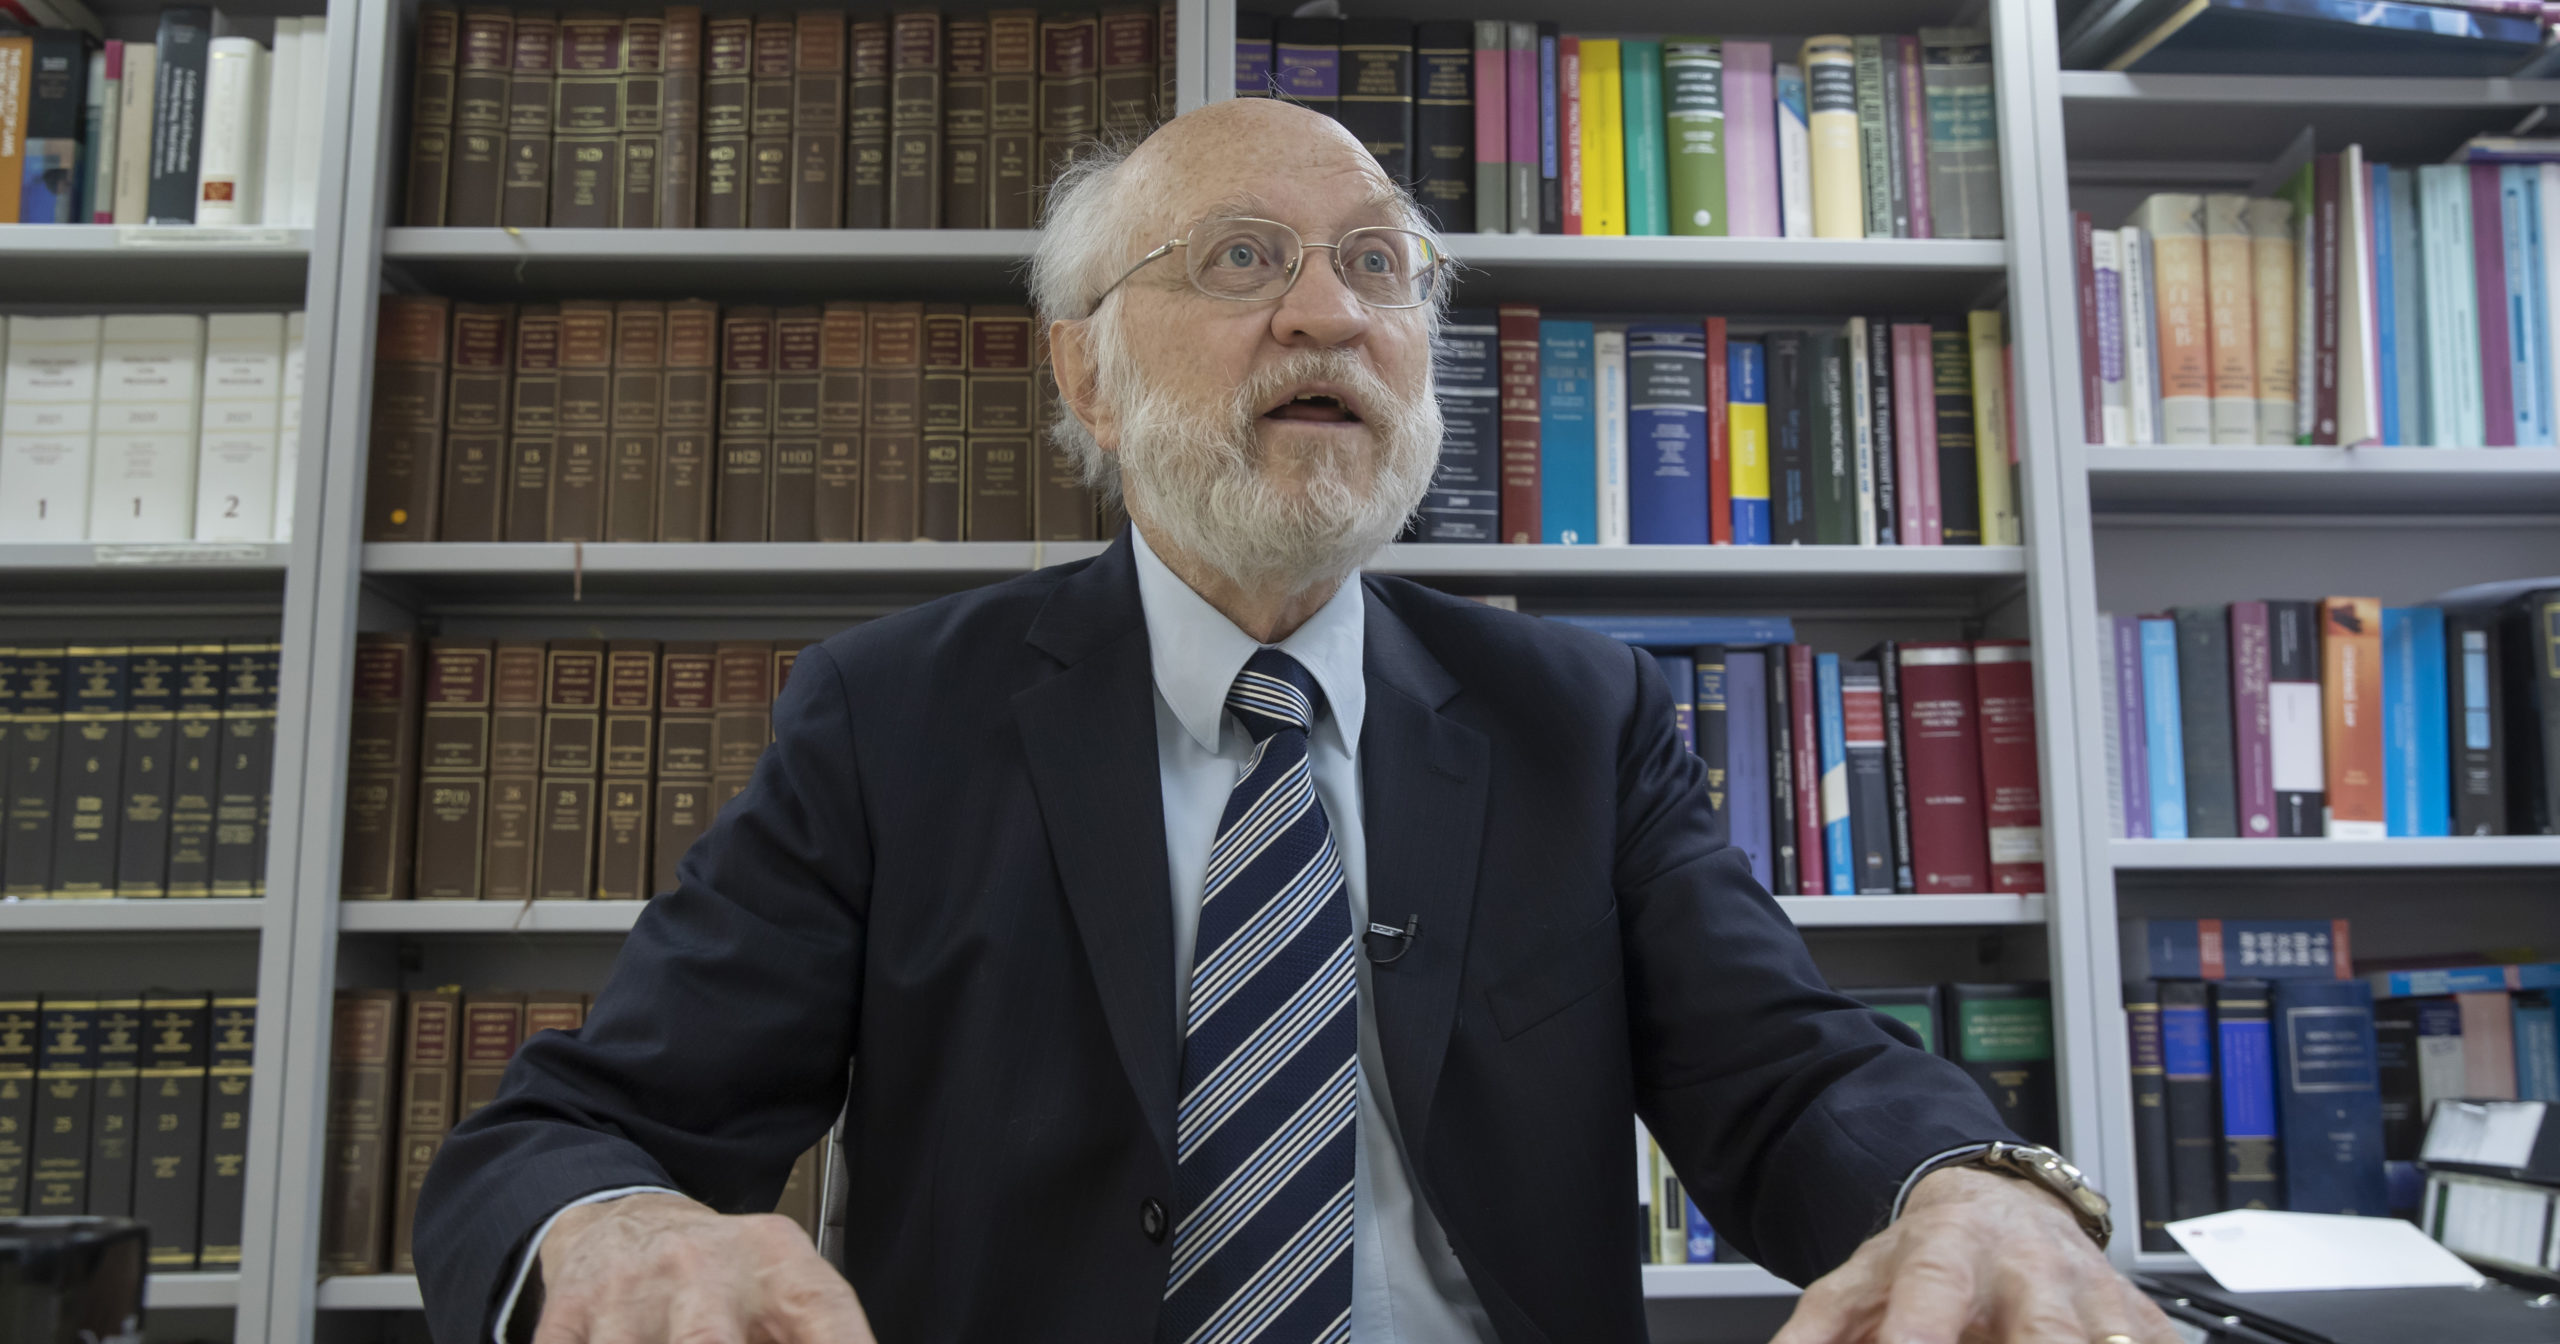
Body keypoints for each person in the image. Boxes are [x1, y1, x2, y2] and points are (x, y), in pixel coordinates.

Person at [414, 98, 2177, 1344]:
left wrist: (1973, 1192)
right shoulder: (895, 715)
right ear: (1084, 369)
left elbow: (1791, 1079)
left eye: (1382, 267)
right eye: (1245, 256)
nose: (1330, 309)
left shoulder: (1575, 713)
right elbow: (577, 1132)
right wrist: (621, 1231)